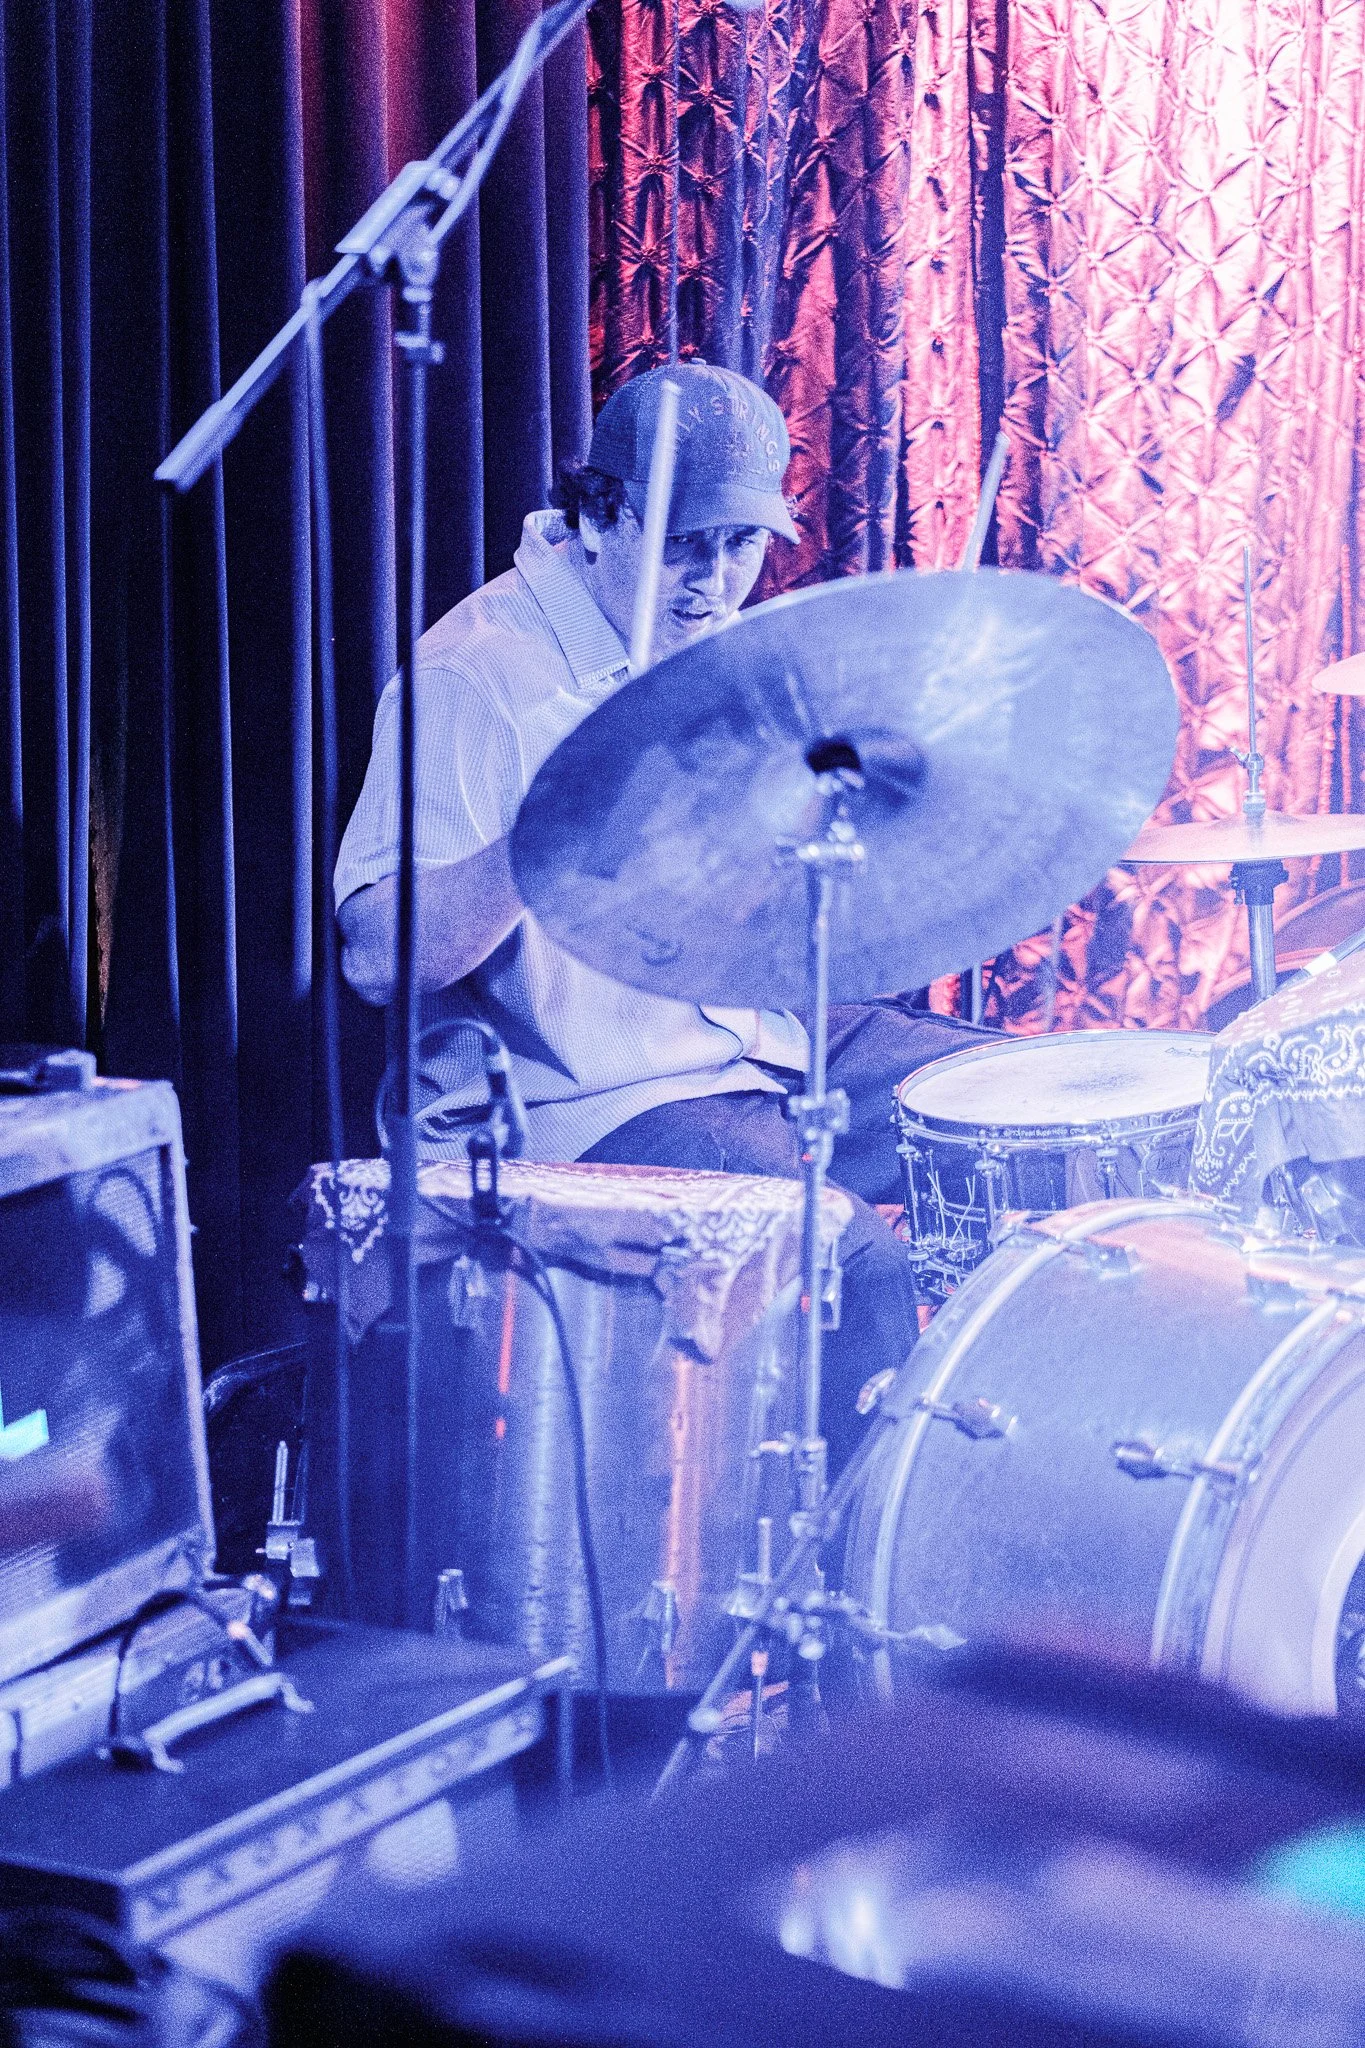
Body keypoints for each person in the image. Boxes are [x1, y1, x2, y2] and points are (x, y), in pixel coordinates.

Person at [336, 361, 995, 1464]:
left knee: (1022, 1113)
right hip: (587, 1095)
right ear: (599, 514)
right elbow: (376, 959)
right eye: (684, 544)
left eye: (740, 547)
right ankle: (833, 1598)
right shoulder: (473, 674)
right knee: (849, 1255)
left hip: (761, 1042)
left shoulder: (722, 649)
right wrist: (565, 818)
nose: (714, 580)